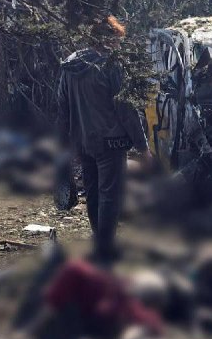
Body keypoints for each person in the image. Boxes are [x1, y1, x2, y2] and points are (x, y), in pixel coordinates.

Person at [57, 16, 151, 262]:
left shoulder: (70, 64)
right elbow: (126, 109)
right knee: (110, 195)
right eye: (117, 40)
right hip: (111, 142)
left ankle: (99, 241)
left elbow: (62, 106)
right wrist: (142, 147)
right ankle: (106, 248)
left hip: (83, 141)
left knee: (93, 192)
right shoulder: (110, 65)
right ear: (108, 38)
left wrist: (66, 143)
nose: (118, 45)